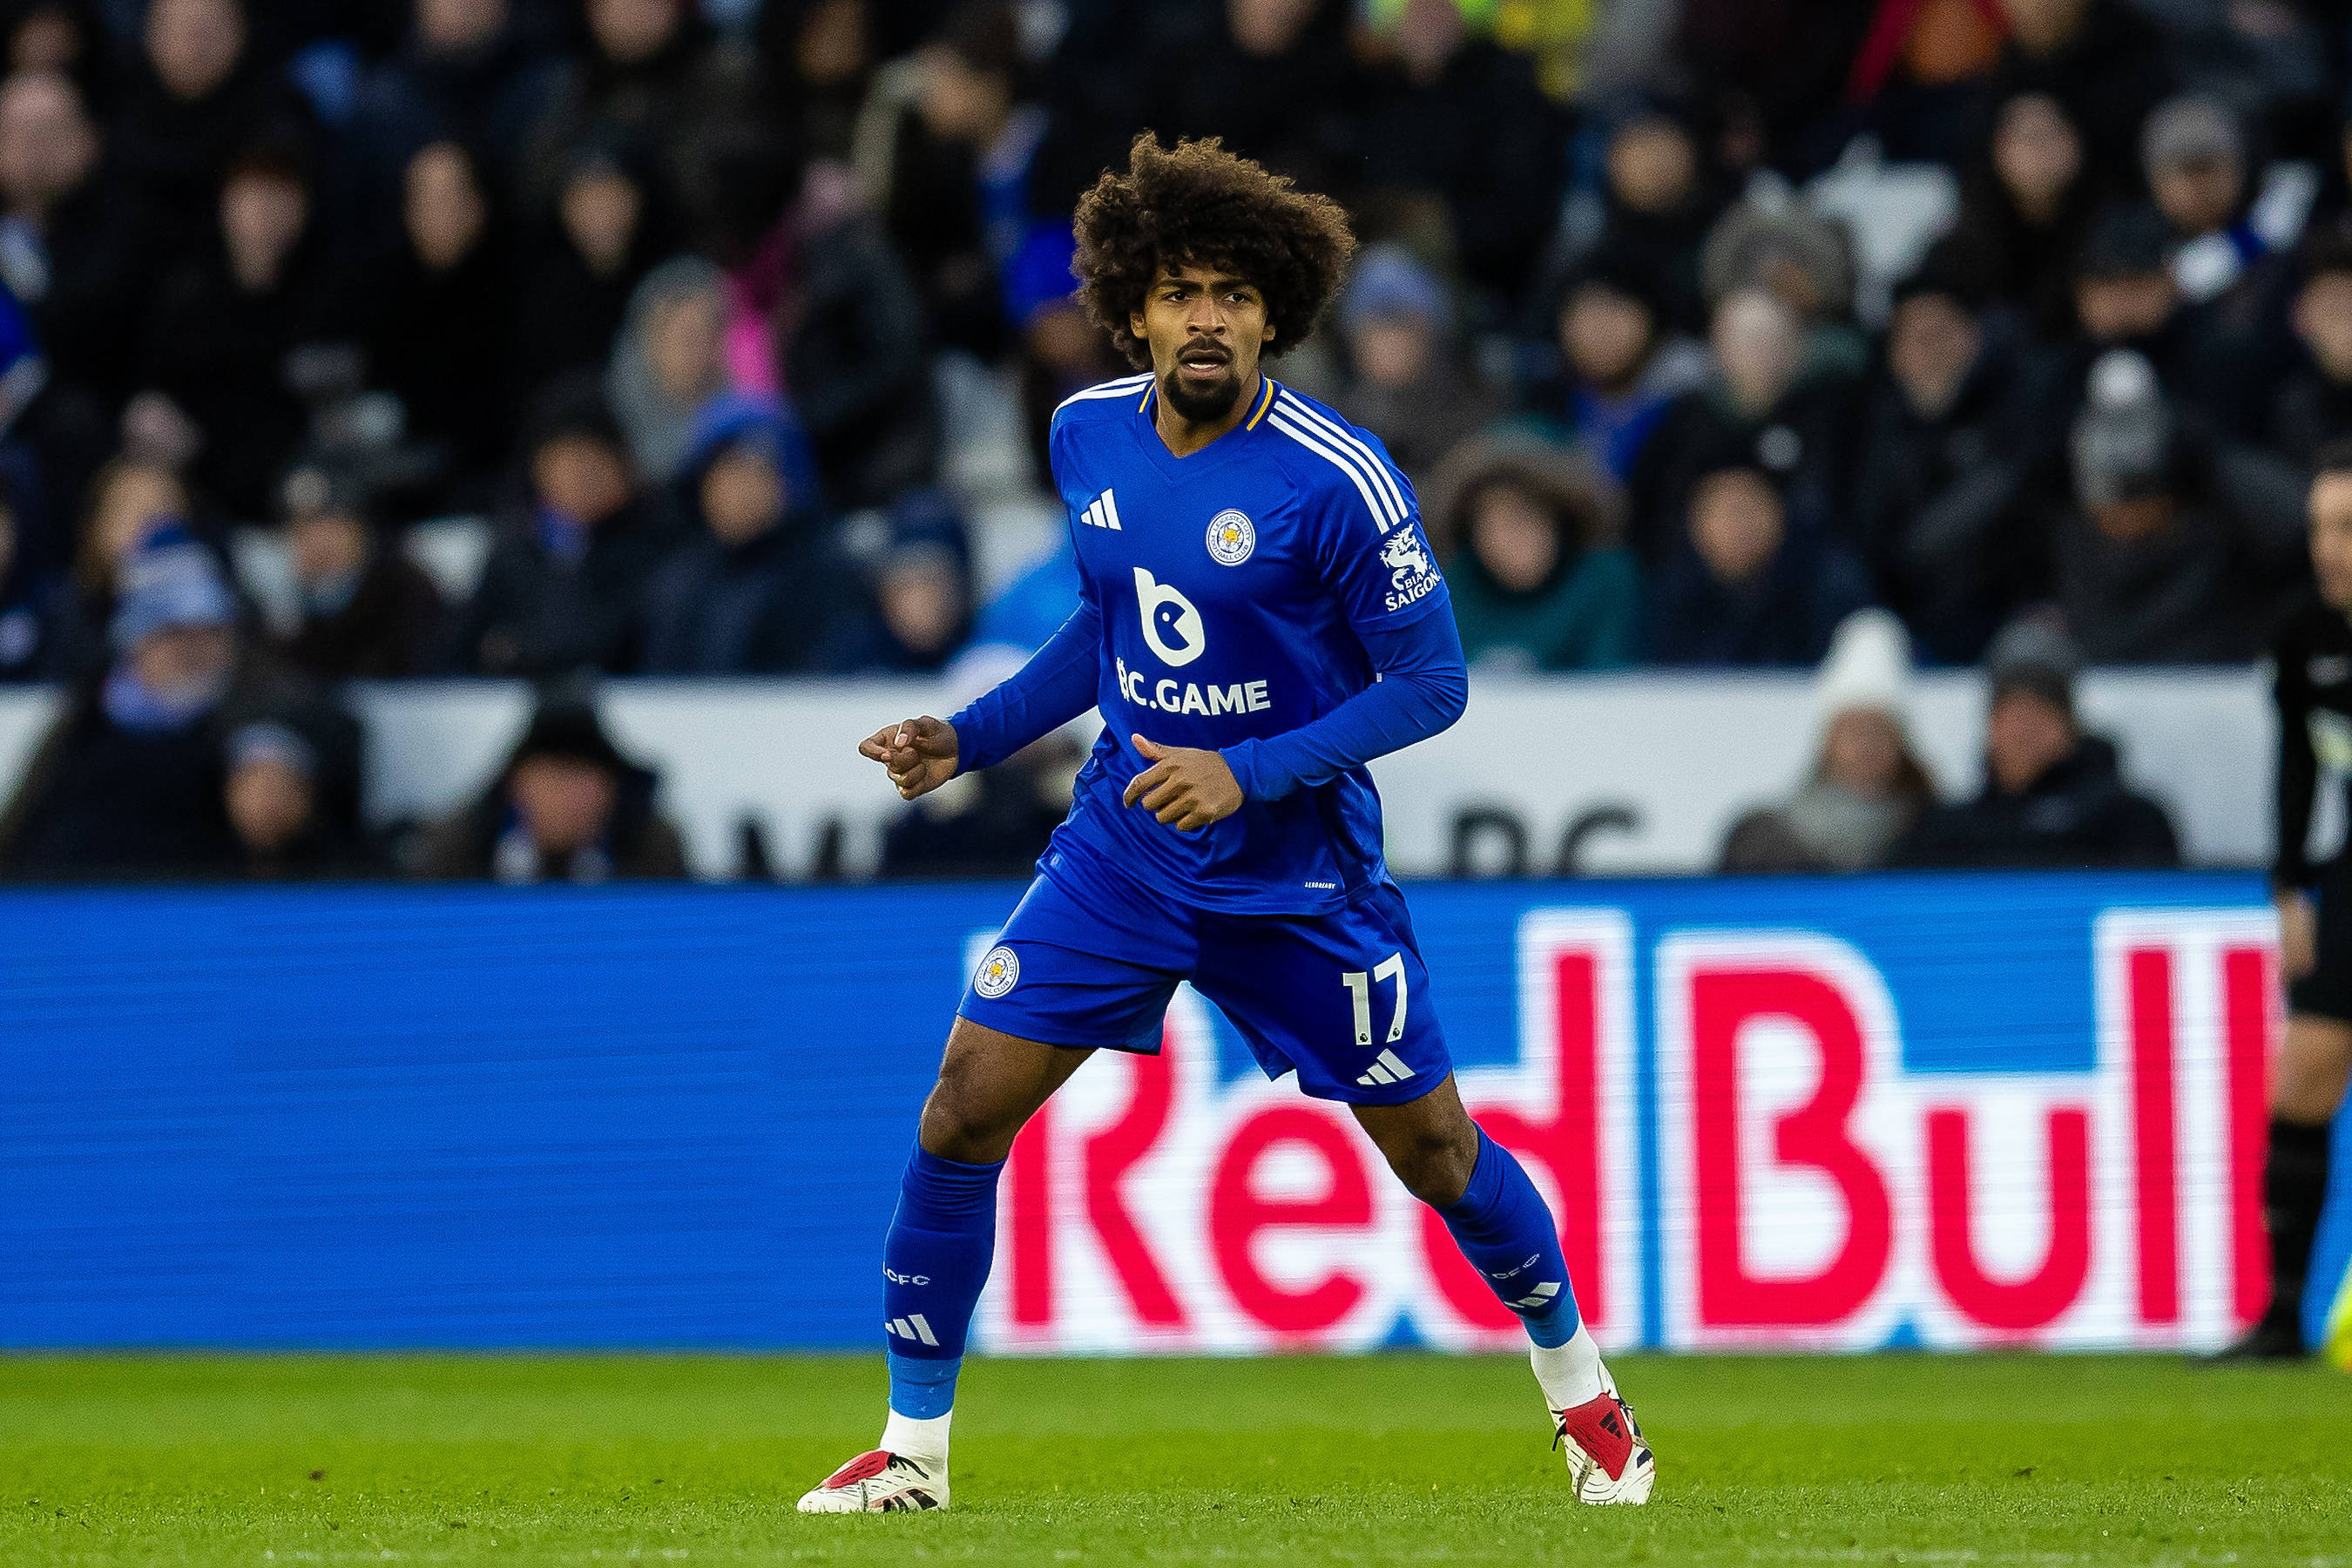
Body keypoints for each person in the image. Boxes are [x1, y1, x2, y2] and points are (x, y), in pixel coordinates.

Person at [803, 133, 1653, 1517]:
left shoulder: (1338, 477)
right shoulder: (1086, 433)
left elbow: (1433, 683)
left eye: (1236, 296)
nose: (1208, 318)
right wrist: (973, 735)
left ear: (1275, 317)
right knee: (960, 1108)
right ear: (1134, 309)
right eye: (1182, 293)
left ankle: (1587, 1399)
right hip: (1125, 853)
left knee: (1438, 1155)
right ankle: (913, 1454)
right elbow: (1107, 626)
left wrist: (1247, 771)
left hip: (1296, 879)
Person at [2223, 437, 2352, 1359]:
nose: (2329, 547)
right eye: (2319, 527)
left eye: (2347, 527)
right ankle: (2279, 1319)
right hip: (2349, 880)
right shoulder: (2305, 638)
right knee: (2303, 1078)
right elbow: (2298, 768)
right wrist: (2289, 889)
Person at [1896, 614, 2180, 868]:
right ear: (1990, 727)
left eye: (2040, 714)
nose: (2023, 730)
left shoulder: (2131, 824)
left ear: (2071, 728)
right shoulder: (1943, 833)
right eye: (2011, 714)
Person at [449, 378, 679, 677]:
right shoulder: (516, 551)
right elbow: (455, 653)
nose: (576, 478)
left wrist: (516, 650)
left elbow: (608, 644)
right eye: (560, 463)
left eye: (588, 461)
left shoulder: (664, 547)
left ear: (623, 465)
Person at [1720, 609, 1936, 872]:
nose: (1866, 745)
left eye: (1879, 730)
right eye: (1853, 730)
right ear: (1828, 741)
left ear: (1900, 745)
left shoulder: (1937, 838)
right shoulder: (1768, 842)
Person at [413, 687, 686, 882]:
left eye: (583, 778)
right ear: (517, 785)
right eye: (555, 777)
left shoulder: (652, 846)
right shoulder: (461, 845)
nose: (569, 797)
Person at [1426, 432, 1641, 672]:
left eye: (1524, 518)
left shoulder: (1604, 580)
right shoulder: (1445, 590)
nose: (1511, 537)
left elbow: (1613, 681)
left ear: (1559, 521)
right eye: (1493, 524)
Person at [271, 464, 445, 680]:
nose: (314, 541)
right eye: (300, 528)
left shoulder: (406, 590)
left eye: (328, 525)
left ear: (358, 527)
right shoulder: (290, 607)